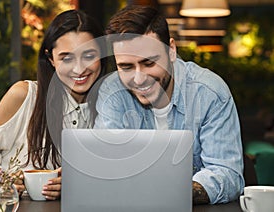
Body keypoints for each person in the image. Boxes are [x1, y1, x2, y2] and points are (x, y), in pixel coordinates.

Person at [94, 5, 244, 204]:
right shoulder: (112, 91)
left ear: (171, 50)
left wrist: (175, 190)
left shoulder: (209, 92)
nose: (139, 79)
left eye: (149, 63)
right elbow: (107, 161)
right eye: (126, 67)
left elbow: (228, 175)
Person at [0, 9, 107, 200]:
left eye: (89, 56)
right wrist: (0, 177)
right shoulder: (24, 95)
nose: (79, 68)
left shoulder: (110, 109)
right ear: (51, 59)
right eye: (66, 58)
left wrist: (75, 183)